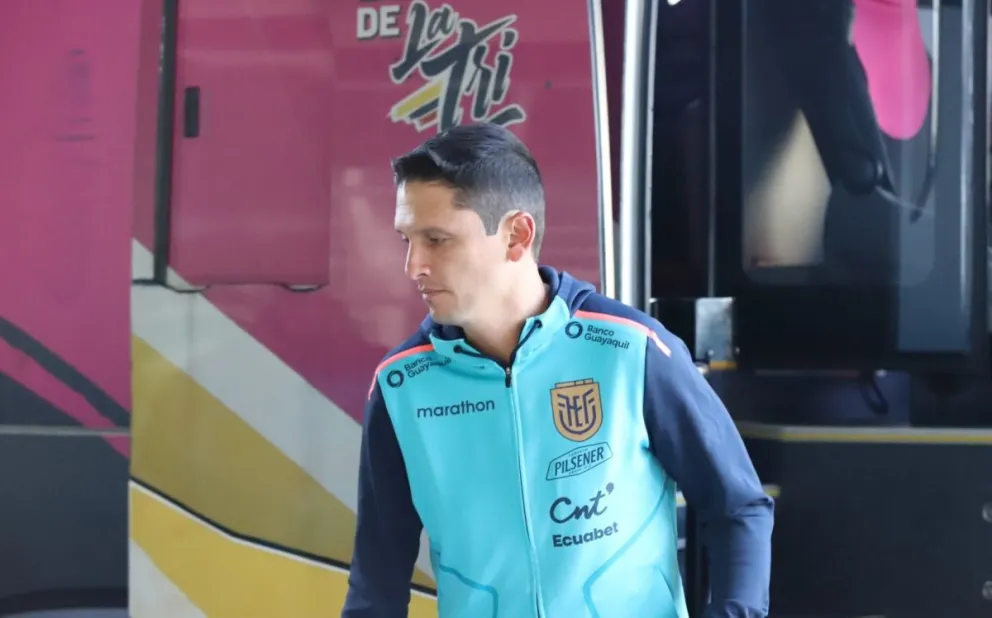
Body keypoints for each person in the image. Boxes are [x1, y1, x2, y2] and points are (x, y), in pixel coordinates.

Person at [342, 122, 774, 618]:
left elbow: (737, 507)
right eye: (407, 240)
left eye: (437, 240)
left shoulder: (631, 349)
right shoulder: (401, 386)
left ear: (516, 236)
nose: (413, 265)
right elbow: (378, 575)